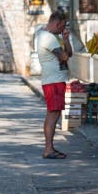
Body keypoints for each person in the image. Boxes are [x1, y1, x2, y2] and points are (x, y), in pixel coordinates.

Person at [36, 9, 72, 159]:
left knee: (55, 113)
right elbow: (64, 56)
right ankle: (48, 149)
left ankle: (50, 148)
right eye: (62, 26)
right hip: (53, 81)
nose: (63, 29)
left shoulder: (51, 37)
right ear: (57, 24)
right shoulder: (48, 38)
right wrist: (64, 41)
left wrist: (66, 39)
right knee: (52, 114)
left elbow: (69, 54)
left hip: (55, 80)